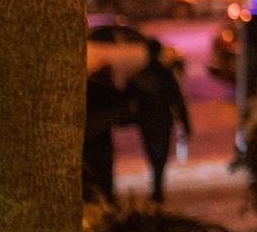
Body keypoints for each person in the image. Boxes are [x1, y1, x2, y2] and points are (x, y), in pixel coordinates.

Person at [129, 52, 192, 205]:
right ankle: (157, 184)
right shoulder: (165, 75)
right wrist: (185, 122)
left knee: (153, 153)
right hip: (162, 121)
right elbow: (177, 100)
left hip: (148, 122)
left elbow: (131, 99)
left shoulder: (141, 75)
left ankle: (156, 185)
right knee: (161, 154)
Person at [81, 65, 125, 204]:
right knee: (105, 171)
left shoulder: (87, 89)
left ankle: (94, 199)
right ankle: (107, 198)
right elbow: (122, 110)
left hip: (88, 139)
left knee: (91, 170)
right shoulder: (108, 91)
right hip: (102, 139)